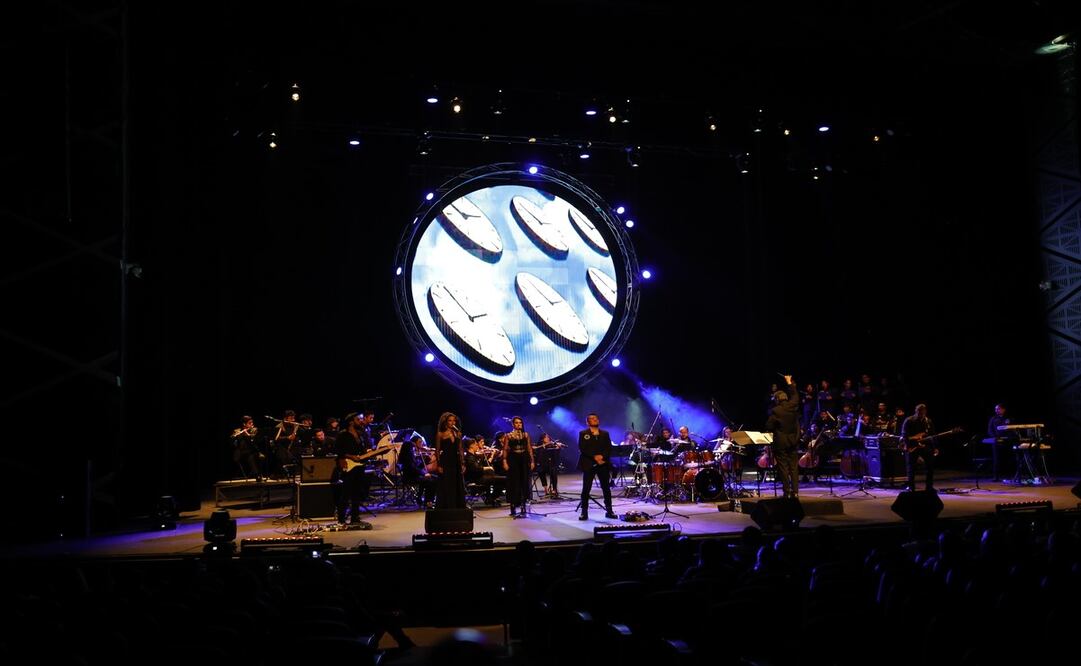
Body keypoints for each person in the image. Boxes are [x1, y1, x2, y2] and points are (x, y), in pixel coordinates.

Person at [334, 412, 375, 524]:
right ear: (351, 421)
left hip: (359, 466)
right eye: (359, 419)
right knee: (346, 493)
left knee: (357, 493)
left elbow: (362, 450)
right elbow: (338, 451)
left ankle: (355, 518)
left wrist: (368, 452)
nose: (362, 421)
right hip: (348, 465)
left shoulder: (361, 433)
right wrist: (351, 456)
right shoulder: (343, 434)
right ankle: (341, 519)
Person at [764, 374, 800, 498]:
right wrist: (789, 382)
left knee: (783, 468)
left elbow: (768, 426)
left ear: (777, 400)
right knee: (794, 467)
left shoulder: (776, 410)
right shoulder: (793, 406)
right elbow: (795, 396)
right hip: (793, 441)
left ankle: (787, 491)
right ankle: (795, 492)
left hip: (781, 443)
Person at [576, 412, 617, 520]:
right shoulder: (583, 433)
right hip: (589, 463)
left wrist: (602, 458)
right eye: (592, 418)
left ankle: (609, 510)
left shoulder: (605, 433)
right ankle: (584, 512)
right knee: (586, 488)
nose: (595, 420)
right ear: (587, 422)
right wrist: (594, 457)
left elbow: (608, 448)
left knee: (606, 488)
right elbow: (582, 448)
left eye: (596, 418)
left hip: (602, 464)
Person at [502, 416, 535, 517]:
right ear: (513, 424)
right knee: (514, 482)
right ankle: (513, 506)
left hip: (524, 459)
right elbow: (505, 449)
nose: (518, 424)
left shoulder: (526, 434)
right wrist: (504, 461)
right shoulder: (509, 435)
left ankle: (523, 505)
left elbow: (529, 448)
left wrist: (532, 461)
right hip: (513, 459)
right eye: (516, 423)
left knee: (524, 482)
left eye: (520, 423)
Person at [433, 412, 466, 509]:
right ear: (445, 422)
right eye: (450, 420)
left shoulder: (457, 433)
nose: (452, 422)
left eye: (454, 420)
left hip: (456, 461)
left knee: (457, 483)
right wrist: (439, 465)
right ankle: (447, 507)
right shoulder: (440, 434)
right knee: (446, 484)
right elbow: (438, 450)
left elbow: (460, 449)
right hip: (445, 461)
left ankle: (458, 506)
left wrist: (463, 463)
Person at [900, 403, 936, 491]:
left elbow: (932, 435)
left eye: (923, 412)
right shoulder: (909, 420)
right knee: (911, 468)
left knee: (930, 467)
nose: (921, 414)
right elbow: (904, 435)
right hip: (912, 447)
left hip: (925, 447)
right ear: (916, 411)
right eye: (920, 412)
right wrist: (910, 443)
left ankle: (929, 487)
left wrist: (935, 447)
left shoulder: (928, 421)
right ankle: (911, 487)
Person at [400, 434, 438, 508]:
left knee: (435, 478)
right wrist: (424, 474)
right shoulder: (408, 456)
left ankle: (424, 498)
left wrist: (427, 460)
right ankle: (428, 501)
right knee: (431, 481)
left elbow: (417, 466)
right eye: (413, 448)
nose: (414, 449)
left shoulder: (412, 455)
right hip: (410, 477)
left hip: (415, 475)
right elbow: (413, 468)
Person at [983, 403, 1014, 481]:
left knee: (1008, 458)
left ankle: (1009, 476)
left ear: (1003, 409)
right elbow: (989, 430)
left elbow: (1012, 429)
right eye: (995, 409)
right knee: (996, 459)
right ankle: (996, 477)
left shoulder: (1008, 418)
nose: (996, 410)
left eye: (998, 408)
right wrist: (995, 437)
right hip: (996, 441)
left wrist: (1009, 437)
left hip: (1007, 441)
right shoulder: (993, 419)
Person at [231, 415, 265, 481]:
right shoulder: (237, 430)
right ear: (244, 424)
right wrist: (235, 438)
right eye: (250, 423)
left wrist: (248, 435)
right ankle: (257, 474)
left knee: (252, 456)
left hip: (252, 451)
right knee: (250, 456)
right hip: (240, 453)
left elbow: (255, 441)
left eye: (252, 422)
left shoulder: (254, 430)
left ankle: (257, 474)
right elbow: (232, 443)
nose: (252, 424)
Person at [535, 432, 564, 497]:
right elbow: (538, 454)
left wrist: (558, 448)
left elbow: (556, 455)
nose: (548, 438)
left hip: (550, 465)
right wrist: (544, 447)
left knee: (553, 470)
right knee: (541, 471)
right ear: (542, 439)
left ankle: (554, 489)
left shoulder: (551, 445)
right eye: (546, 437)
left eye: (548, 437)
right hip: (542, 465)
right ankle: (545, 489)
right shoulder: (539, 446)